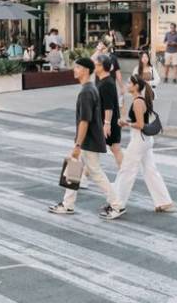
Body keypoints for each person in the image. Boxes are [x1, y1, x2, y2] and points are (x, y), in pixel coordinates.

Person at [49, 58, 125, 220]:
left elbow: (85, 120)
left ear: (85, 70)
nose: (74, 70)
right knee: (75, 170)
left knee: (96, 173)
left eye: (77, 67)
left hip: (88, 141)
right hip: (88, 140)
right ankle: (67, 204)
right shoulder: (90, 88)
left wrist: (77, 144)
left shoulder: (86, 92)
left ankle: (117, 204)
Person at [114, 75, 174, 212]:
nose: (127, 84)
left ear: (136, 86)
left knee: (126, 170)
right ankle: (164, 202)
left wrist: (126, 123)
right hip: (145, 140)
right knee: (150, 171)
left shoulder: (138, 102)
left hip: (139, 140)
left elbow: (140, 124)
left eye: (129, 83)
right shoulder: (139, 100)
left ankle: (116, 203)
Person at [96, 54, 124, 167]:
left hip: (109, 123)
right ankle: (83, 176)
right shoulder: (102, 81)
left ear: (102, 67)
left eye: (97, 65)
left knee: (115, 148)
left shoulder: (107, 83)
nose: (95, 67)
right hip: (103, 122)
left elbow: (109, 106)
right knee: (92, 151)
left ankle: (125, 176)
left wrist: (107, 124)